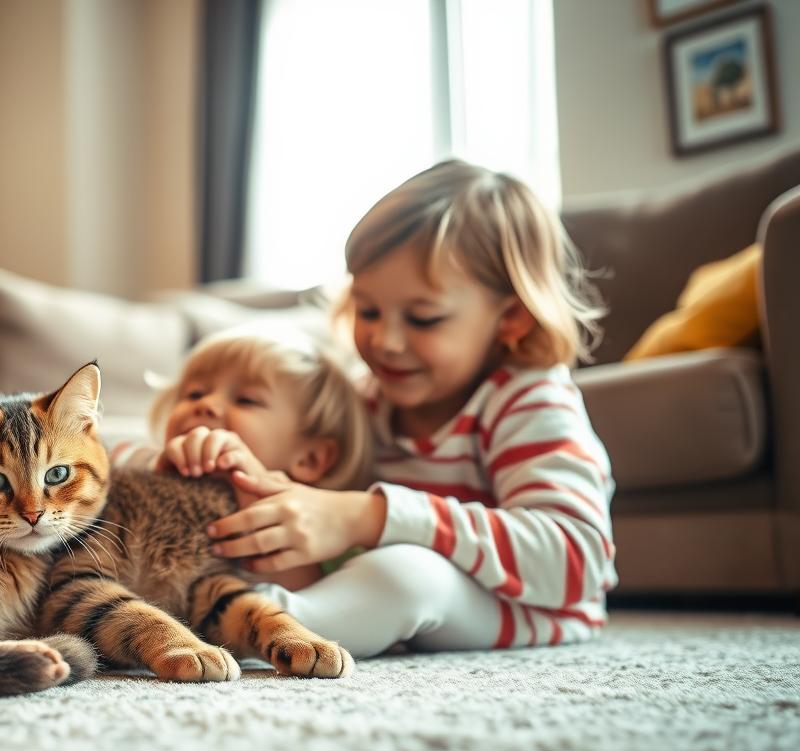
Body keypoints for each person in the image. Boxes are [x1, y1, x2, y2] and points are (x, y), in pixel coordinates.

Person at [208, 159, 617, 657]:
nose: (385, 341)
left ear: (511, 317)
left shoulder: (529, 400)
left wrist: (370, 516)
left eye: (423, 318)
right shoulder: (365, 399)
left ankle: (234, 625)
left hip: (526, 605)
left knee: (407, 574)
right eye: (369, 310)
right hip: (381, 585)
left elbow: (574, 560)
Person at [113, 324, 373, 589]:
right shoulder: (142, 458)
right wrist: (154, 475)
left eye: (246, 400)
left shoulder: (320, 529)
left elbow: (304, 601)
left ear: (310, 458)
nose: (207, 404)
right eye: (195, 393)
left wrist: (256, 501)